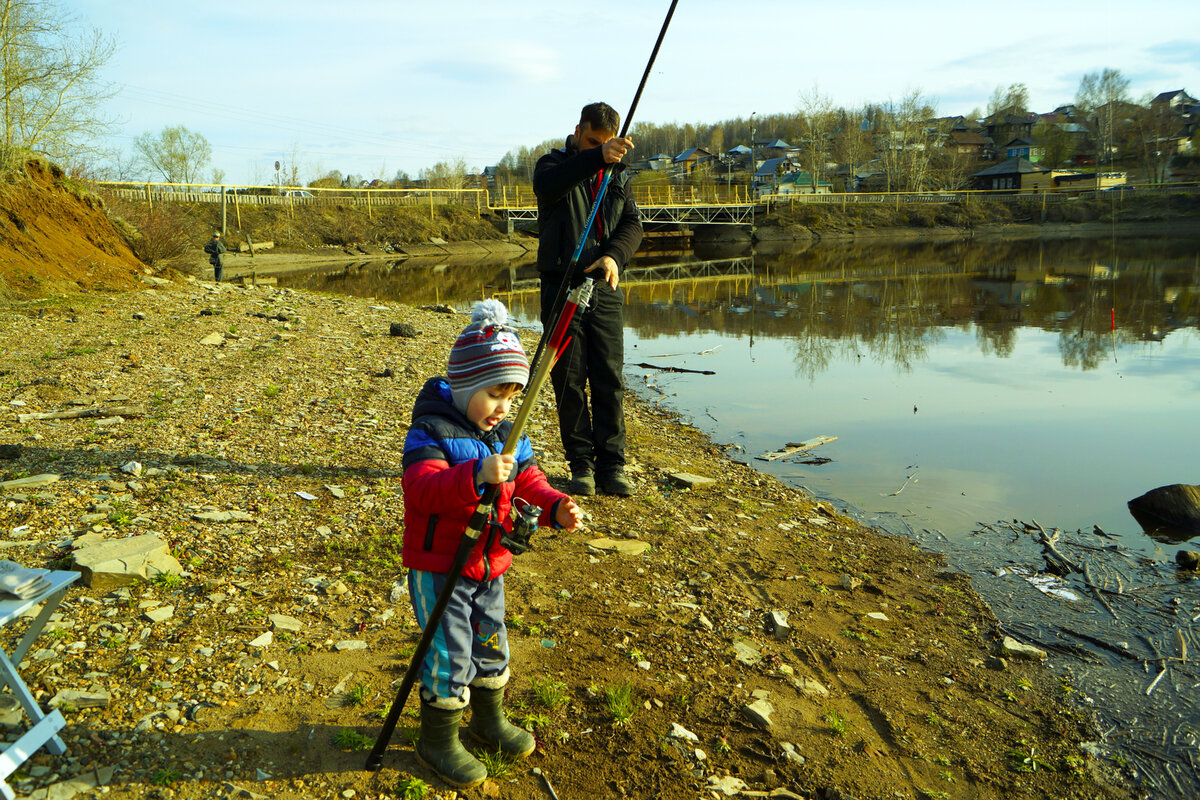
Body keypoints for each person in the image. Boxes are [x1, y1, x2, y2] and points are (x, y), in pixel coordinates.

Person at [401, 299, 584, 788]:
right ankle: (437, 739)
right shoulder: (431, 430)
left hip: (489, 562)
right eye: (493, 395)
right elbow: (421, 492)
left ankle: (487, 719)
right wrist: (473, 474)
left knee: (491, 642)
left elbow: (529, 480)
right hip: (441, 566)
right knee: (449, 651)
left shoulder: (507, 431)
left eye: (512, 397)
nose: (503, 408)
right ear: (462, 386)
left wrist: (555, 506)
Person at [533, 101, 643, 497]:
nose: (598, 146)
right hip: (562, 285)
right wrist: (597, 156)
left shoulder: (618, 176)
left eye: (606, 142)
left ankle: (613, 465)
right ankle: (581, 465)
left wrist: (614, 255)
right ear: (578, 131)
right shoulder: (552, 164)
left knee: (609, 377)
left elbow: (632, 224)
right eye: (592, 140)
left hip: (604, 286)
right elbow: (549, 186)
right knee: (569, 380)